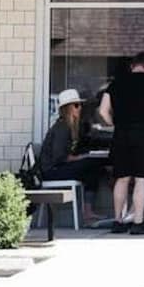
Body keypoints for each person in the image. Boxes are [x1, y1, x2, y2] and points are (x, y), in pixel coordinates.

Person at [99, 51, 144, 235]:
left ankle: (118, 221)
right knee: (141, 179)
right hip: (143, 133)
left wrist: (114, 124)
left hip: (121, 134)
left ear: (132, 66)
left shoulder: (116, 84)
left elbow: (103, 111)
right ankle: (138, 222)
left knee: (121, 178)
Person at [39, 89, 104, 225]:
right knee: (91, 165)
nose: (80, 108)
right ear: (67, 108)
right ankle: (87, 212)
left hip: (60, 168)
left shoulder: (73, 127)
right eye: (76, 105)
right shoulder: (61, 128)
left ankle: (88, 212)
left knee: (94, 168)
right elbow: (59, 157)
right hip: (52, 171)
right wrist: (82, 158)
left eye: (80, 105)